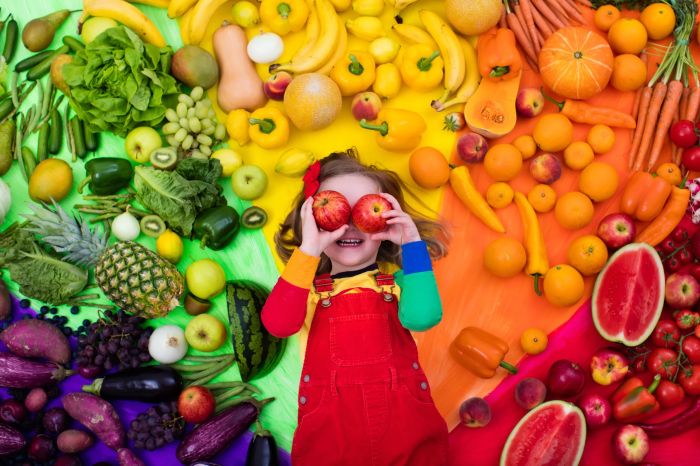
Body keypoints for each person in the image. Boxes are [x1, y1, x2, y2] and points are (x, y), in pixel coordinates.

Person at [261, 149, 449, 466]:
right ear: (311, 220)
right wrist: (308, 249)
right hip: (331, 443)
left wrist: (411, 243)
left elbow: (423, 316)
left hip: (408, 437)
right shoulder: (305, 293)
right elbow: (278, 323)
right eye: (335, 210)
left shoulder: (402, 284)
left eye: (364, 210)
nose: (349, 225)